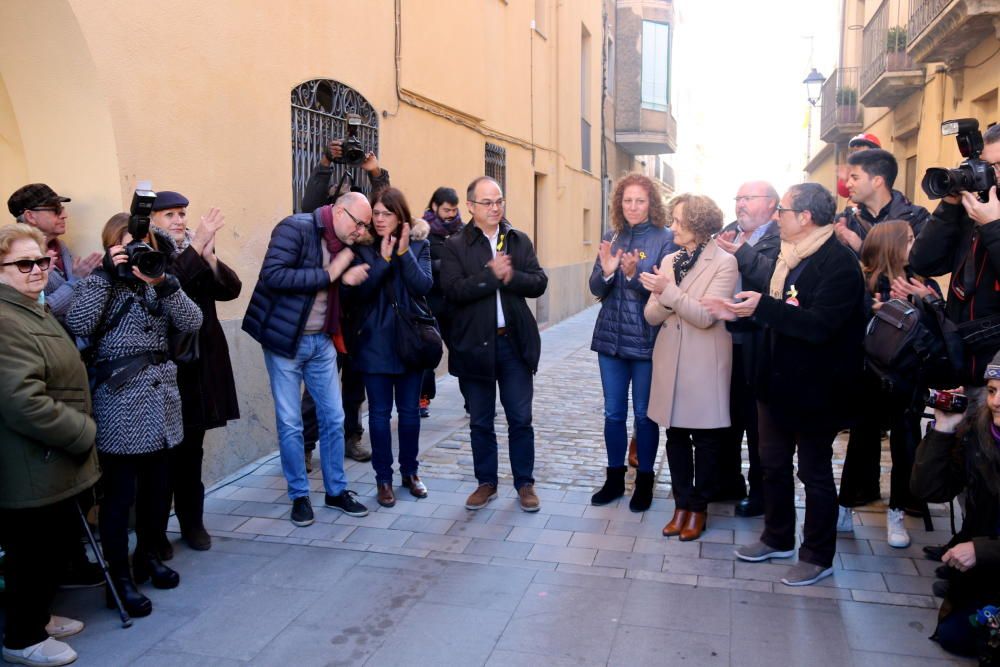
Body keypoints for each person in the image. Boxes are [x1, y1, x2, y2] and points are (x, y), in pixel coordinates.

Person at [704, 183, 866, 586]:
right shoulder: (788, 257)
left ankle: (817, 555)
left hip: (816, 390)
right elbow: (776, 314)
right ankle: (777, 537)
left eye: (786, 210)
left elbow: (819, 326)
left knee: (813, 473)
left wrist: (764, 306)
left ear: (806, 217)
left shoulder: (838, 263)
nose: (779, 216)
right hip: (774, 382)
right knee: (771, 464)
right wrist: (739, 312)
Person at [66, 213, 203, 617]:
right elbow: (78, 323)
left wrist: (164, 283)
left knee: (158, 490)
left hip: (162, 401)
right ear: (113, 246)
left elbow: (192, 320)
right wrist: (108, 276)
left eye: (143, 245)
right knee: (120, 496)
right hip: (121, 401)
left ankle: (147, 557)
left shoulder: (157, 281)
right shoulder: (100, 283)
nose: (138, 252)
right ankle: (120, 579)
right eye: (130, 244)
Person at [0, 224, 99, 667]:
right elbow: (21, 400)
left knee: (49, 547)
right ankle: (22, 639)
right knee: (31, 552)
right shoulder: (4, 319)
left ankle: (38, 617)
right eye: (24, 263)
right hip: (30, 460)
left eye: (42, 261)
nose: (38, 269)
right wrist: (80, 432)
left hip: (48, 457)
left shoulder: (27, 309)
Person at [242, 192, 373, 527]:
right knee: (290, 422)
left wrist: (343, 281)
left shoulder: (345, 244)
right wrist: (330, 275)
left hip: (322, 341)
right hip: (285, 342)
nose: (361, 233)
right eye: (359, 224)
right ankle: (299, 496)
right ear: (340, 212)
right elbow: (274, 275)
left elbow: (329, 291)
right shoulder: (295, 228)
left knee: (333, 417)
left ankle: (335, 490)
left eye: (364, 228)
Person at [440, 176, 548, 512]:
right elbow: (453, 291)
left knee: (520, 418)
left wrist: (510, 276)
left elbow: (539, 282)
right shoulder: (456, 245)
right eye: (487, 202)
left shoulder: (517, 240)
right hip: (475, 346)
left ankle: (524, 483)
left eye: (499, 200)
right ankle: (486, 482)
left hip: (513, 344)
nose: (495, 208)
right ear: (470, 206)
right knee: (480, 421)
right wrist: (490, 276)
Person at [146, 191, 241, 555]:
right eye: (169, 214)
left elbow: (231, 289)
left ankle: (192, 523)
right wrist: (196, 247)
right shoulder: (152, 253)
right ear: (152, 219)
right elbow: (168, 287)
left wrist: (210, 255)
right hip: (167, 367)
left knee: (192, 452)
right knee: (163, 459)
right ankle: (155, 533)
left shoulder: (192, 251)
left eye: (182, 213)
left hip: (200, 365)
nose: (179, 220)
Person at [641, 194, 737, 540]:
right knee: (676, 437)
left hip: (704, 361)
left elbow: (706, 317)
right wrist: (666, 296)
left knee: (707, 441)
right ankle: (680, 504)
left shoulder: (725, 263)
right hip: (670, 357)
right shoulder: (669, 260)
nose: (673, 227)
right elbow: (650, 315)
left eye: (679, 221)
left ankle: (698, 508)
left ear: (697, 224)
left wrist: (669, 294)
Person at [836, 221, 938, 545]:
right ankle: (846, 505)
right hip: (869, 377)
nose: (916, 244)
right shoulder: (862, 280)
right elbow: (847, 326)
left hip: (908, 379)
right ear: (893, 244)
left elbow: (935, 333)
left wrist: (921, 302)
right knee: (861, 443)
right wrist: (875, 310)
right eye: (909, 239)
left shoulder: (921, 281)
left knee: (905, 445)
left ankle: (898, 512)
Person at [588, 173, 676, 512]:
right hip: (610, 339)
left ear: (651, 203)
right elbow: (596, 287)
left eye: (640, 200)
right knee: (613, 413)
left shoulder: (666, 239)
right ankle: (613, 479)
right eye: (627, 200)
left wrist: (631, 275)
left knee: (643, 415)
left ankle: (645, 482)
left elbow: (664, 290)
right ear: (619, 204)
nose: (633, 207)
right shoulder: (613, 236)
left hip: (646, 340)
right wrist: (609, 272)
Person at [299, 139, 388, 465]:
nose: (360, 224)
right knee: (316, 390)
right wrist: (325, 163)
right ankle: (306, 446)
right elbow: (308, 202)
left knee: (355, 386)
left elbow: (386, 206)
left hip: (360, 319)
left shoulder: (368, 233)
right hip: (328, 316)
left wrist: (375, 172)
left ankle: (352, 437)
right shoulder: (323, 228)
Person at [342, 188, 432, 507]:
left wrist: (404, 254)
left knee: (409, 414)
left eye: (386, 214)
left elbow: (424, 286)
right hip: (373, 342)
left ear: (400, 216)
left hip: (410, 342)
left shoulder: (419, 244)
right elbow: (357, 294)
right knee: (378, 416)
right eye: (376, 214)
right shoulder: (361, 247)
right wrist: (381, 260)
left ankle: (410, 473)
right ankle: (383, 479)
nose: (379, 220)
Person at [911, 354, 1000, 660]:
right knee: (955, 636)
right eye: (991, 390)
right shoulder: (981, 433)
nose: (996, 401)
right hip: (988, 568)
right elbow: (930, 490)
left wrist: (981, 550)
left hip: (990, 555)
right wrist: (944, 429)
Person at [909, 124, 1000, 406]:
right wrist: (949, 206)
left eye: (998, 165)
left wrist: (994, 226)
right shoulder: (974, 208)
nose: (991, 175)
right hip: (965, 368)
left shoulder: (989, 217)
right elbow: (923, 261)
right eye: (986, 166)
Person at [714, 180, 781, 517]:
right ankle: (728, 482)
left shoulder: (782, 237)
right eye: (737, 198)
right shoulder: (727, 231)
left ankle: (761, 494)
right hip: (726, 339)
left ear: (771, 204)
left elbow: (774, 279)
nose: (740, 204)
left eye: (748, 198)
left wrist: (741, 252)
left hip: (759, 342)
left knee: (758, 425)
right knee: (727, 417)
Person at [6, 183, 102, 324]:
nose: (65, 215)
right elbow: (38, 310)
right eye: (56, 210)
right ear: (30, 216)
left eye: (62, 208)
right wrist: (77, 279)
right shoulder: (15, 259)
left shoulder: (61, 247)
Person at [419, 186, 464, 419]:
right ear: (434, 206)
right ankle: (423, 398)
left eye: (454, 210)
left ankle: (472, 399)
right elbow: (420, 264)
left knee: (464, 351)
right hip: (430, 303)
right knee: (428, 352)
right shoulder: (422, 231)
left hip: (456, 303)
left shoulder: (463, 232)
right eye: (446, 209)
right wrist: (443, 265)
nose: (450, 214)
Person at [835, 148, 930, 254]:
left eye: (855, 178)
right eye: (848, 179)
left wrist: (862, 248)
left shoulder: (916, 218)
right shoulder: (846, 222)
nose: (848, 184)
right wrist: (838, 246)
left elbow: (923, 264)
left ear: (877, 181)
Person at [836, 132, 881, 200]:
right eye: (854, 149)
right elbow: (844, 193)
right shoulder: (854, 169)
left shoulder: (880, 168)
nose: (856, 148)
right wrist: (844, 179)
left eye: (860, 145)